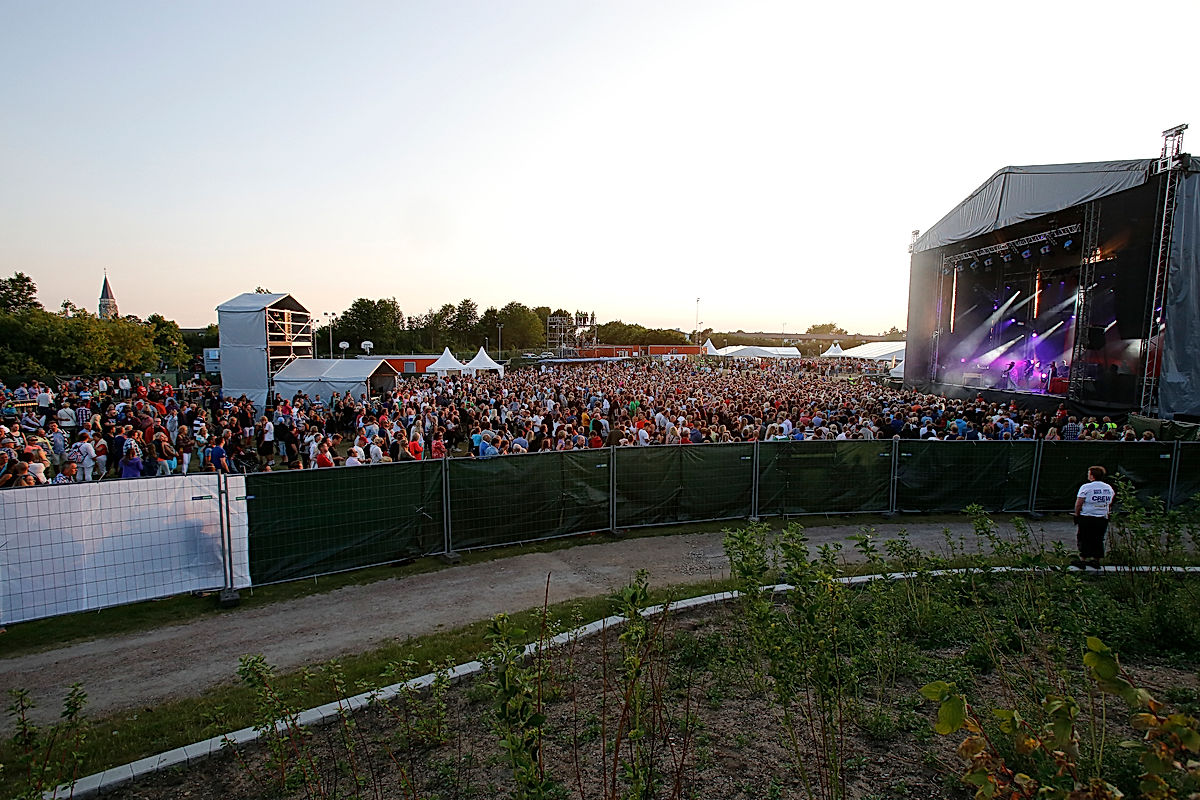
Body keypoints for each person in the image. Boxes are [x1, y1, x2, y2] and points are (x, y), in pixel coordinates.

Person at [1073, 465, 1115, 569]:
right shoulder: (1108, 488)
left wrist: (1076, 514)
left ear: (1092, 476)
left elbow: (1079, 503)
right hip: (1102, 517)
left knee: (1084, 537)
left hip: (1087, 516)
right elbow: (1110, 502)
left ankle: (1082, 559)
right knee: (1098, 538)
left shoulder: (1086, 487)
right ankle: (1096, 560)